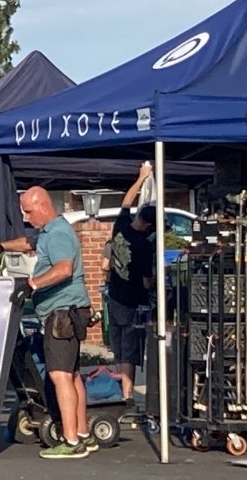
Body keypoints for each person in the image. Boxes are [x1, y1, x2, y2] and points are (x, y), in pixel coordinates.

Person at [19, 187, 95, 459]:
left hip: (61, 314)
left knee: (59, 376)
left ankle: (71, 440)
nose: (26, 218)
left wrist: (33, 284)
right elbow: (29, 243)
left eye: (28, 212)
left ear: (43, 206)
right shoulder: (50, 231)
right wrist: (1, 246)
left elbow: (64, 269)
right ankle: (83, 433)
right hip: (70, 311)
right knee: (72, 375)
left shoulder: (59, 233)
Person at [103, 165, 158, 402]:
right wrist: (156, 280)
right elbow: (146, 283)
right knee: (130, 351)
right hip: (133, 303)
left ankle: (119, 391)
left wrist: (141, 178)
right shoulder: (144, 246)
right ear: (149, 227)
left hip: (114, 296)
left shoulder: (121, 226)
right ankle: (127, 394)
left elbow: (126, 201)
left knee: (118, 347)